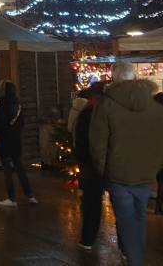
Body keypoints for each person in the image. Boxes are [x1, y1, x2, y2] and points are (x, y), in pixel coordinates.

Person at [89, 62, 163, 266]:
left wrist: (104, 169)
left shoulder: (106, 106)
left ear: (114, 78)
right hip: (145, 174)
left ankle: (135, 260)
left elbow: (97, 144)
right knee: (139, 217)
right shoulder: (155, 107)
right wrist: (154, 166)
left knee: (126, 220)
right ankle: (135, 256)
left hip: (118, 174)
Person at [0, 80, 36, 207]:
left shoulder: (2, 103)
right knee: (20, 169)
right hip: (16, 140)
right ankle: (30, 195)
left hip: (5, 141)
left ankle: (11, 198)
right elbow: (21, 123)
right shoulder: (18, 104)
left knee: (7, 172)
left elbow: (0, 124)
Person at [73, 80, 106, 249]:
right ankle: (125, 246)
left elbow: (80, 141)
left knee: (92, 203)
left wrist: (83, 162)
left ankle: (87, 239)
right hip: (111, 163)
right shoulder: (111, 112)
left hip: (91, 165)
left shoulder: (87, 113)